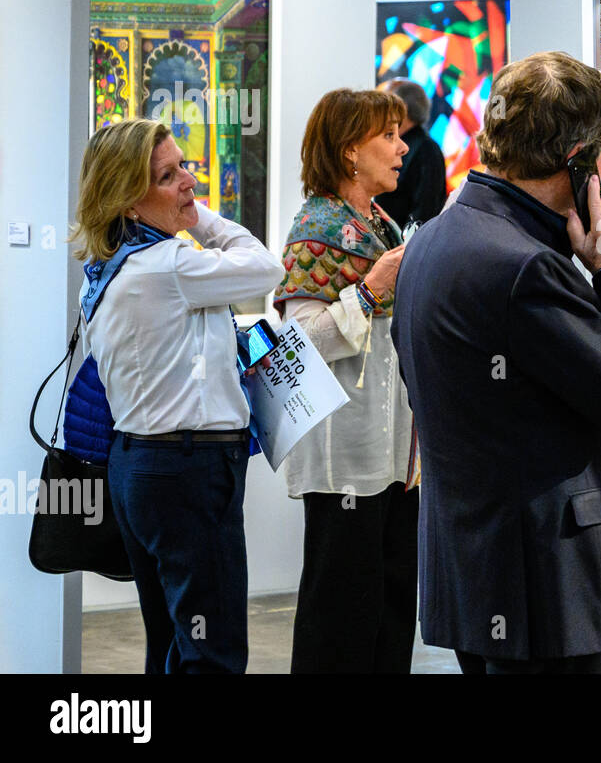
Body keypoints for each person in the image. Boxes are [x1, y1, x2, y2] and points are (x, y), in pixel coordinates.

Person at [392, 51, 601, 674]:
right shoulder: (525, 266)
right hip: (547, 591)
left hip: (480, 578)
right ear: (580, 160)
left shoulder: (432, 240)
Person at [71, 118, 282, 673]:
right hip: (187, 469)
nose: (188, 180)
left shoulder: (108, 267)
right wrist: (200, 218)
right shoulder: (168, 265)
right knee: (211, 652)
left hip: (140, 464)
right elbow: (266, 268)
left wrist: (176, 204)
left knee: (171, 639)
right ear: (128, 202)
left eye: (183, 165)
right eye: (168, 176)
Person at [273, 87, 419, 673]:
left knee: (388, 611)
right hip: (344, 461)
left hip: (393, 458)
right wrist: (371, 288)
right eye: (388, 136)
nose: (402, 147)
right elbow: (300, 341)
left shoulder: (380, 223)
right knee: (340, 619)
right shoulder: (316, 227)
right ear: (349, 151)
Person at [373, 77, 447, 231]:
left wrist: (405, 247)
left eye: (385, 105)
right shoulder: (393, 146)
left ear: (402, 109)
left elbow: (425, 212)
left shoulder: (427, 150)